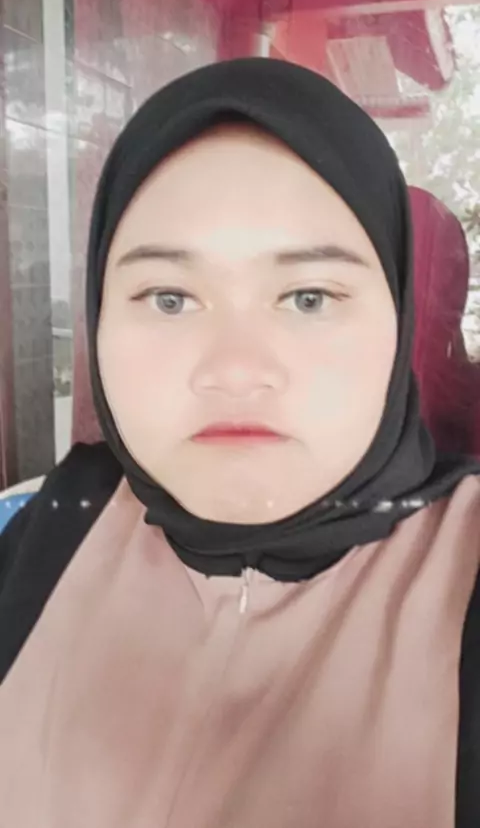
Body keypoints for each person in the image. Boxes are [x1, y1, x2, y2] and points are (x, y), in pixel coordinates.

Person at [0, 57, 479, 828]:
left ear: (399, 320)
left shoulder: (464, 569)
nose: (234, 370)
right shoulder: (59, 520)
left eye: (309, 297)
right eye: (169, 297)